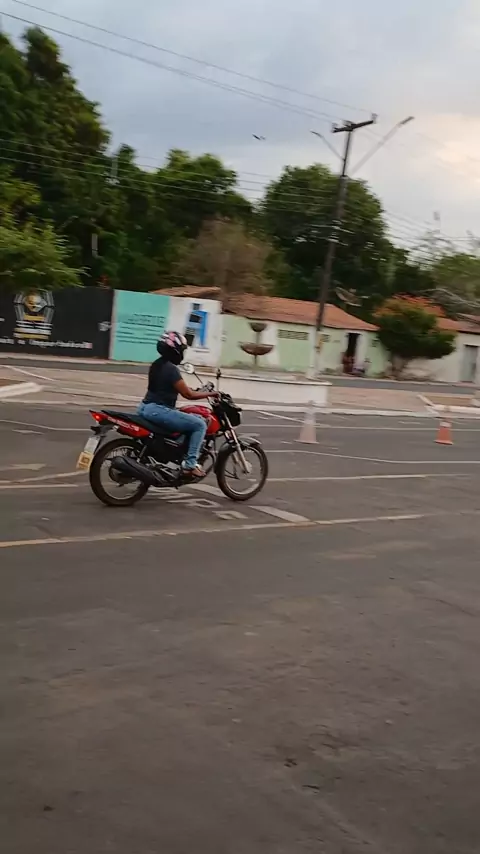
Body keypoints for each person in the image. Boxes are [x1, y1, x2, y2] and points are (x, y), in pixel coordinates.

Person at [137, 330, 217, 478]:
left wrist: (198, 391)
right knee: (200, 424)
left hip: (144, 407)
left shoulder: (157, 364)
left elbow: (176, 388)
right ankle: (190, 465)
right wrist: (212, 394)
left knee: (192, 418)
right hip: (158, 410)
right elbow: (188, 395)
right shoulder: (171, 369)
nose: (183, 353)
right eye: (182, 350)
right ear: (175, 350)